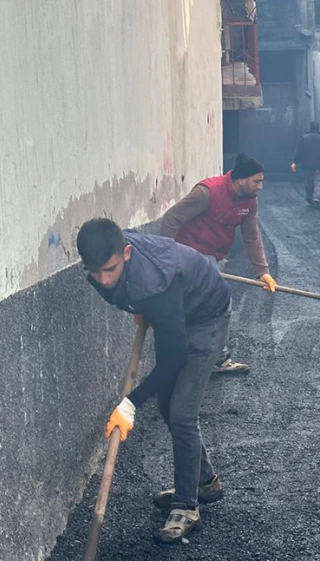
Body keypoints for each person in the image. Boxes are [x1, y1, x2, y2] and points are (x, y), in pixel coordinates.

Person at [78, 218, 231, 544]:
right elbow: (132, 285)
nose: (103, 280)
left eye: (111, 269)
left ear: (127, 253)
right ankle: (204, 482)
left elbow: (173, 359)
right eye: (95, 271)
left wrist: (129, 403)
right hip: (172, 310)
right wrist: (137, 302)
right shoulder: (115, 256)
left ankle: (187, 506)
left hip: (207, 316)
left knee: (182, 412)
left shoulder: (155, 285)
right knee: (165, 403)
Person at [160, 153, 277, 375]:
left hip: (214, 255)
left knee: (204, 307)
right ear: (241, 179)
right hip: (192, 253)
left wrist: (263, 272)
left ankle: (202, 357)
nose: (261, 186)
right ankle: (216, 358)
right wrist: (166, 256)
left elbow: (251, 236)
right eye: (257, 181)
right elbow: (171, 219)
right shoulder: (208, 192)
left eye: (262, 181)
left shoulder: (249, 201)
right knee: (220, 303)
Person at [291, 121, 320, 207]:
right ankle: (316, 199)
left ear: (310, 128)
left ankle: (309, 196)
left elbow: (299, 152)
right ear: (318, 128)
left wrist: (295, 162)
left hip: (307, 165)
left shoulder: (304, 138)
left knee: (309, 181)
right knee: (319, 181)